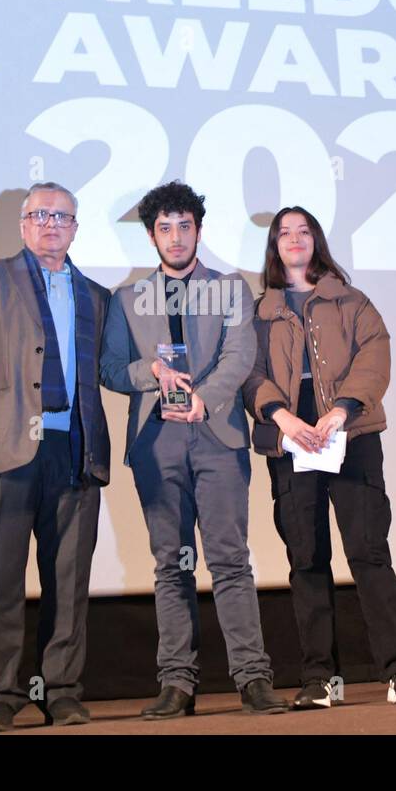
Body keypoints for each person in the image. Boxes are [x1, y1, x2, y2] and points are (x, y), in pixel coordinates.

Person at [100, 180, 288, 718]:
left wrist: (203, 400)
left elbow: (239, 352)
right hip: (157, 443)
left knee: (231, 561)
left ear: (199, 231)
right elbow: (110, 368)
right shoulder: (127, 298)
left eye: (185, 226)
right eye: (165, 228)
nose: (176, 236)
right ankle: (177, 684)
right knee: (170, 566)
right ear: (152, 237)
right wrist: (149, 372)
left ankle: (253, 678)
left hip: (218, 438)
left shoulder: (230, 290)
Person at [242, 206, 396, 708]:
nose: (294, 239)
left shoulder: (352, 300)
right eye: (285, 233)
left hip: (350, 435)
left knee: (369, 552)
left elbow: (375, 354)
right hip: (291, 440)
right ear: (275, 246)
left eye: (304, 231)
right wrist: (281, 417)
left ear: (316, 241)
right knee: (306, 560)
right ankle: (318, 679)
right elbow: (248, 372)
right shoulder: (260, 311)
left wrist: (343, 410)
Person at [0, 182, 111, 732]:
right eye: (40, 214)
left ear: (75, 228)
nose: (51, 224)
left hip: (74, 449)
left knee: (68, 579)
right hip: (4, 449)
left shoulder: (95, 294)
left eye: (62, 217)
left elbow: (103, 373)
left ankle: (62, 689)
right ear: (22, 224)